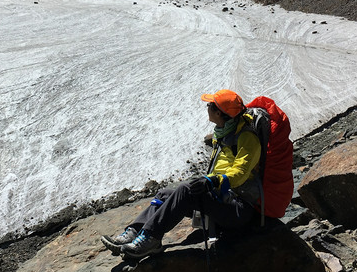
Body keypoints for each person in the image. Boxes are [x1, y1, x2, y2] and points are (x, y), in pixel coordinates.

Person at [101, 89, 264, 260]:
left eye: (210, 105)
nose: (207, 107)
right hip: (223, 200)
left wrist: (212, 182)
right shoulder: (225, 132)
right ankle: (135, 231)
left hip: (239, 208)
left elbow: (241, 172)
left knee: (186, 190)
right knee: (164, 193)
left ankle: (150, 238)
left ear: (219, 113)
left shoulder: (246, 137)